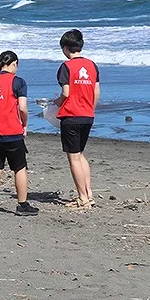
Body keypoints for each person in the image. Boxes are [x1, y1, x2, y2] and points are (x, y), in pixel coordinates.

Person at [0, 51, 38, 217]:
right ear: (14, 63)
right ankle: (22, 204)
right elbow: (22, 108)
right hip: (10, 130)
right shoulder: (18, 81)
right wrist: (24, 124)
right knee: (19, 168)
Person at [53, 29, 100, 208]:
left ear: (65, 48)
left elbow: (66, 92)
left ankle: (83, 197)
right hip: (88, 115)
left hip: (71, 116)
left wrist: (56, 102)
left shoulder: (66, 66)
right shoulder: (92, 65)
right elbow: (96, 91)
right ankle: (89, 193)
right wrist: (90, 108)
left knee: (73, 158)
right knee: (80, 154)